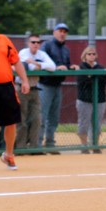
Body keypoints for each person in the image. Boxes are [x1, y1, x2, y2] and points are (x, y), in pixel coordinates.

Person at [0, 14, 31, 171]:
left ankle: (8, 155)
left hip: (5, 86)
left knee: (10, 123)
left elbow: (16, 61)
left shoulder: (3, 40)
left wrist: (25, 80)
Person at [40, 23, 79, 153]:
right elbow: (40, 63)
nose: (62, 34)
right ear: (54, 32)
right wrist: (56, 68)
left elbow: (65, 65)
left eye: (65, 32)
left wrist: (71, 67)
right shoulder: (46, 45)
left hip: (57, 85)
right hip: (45, 85)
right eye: (60, 31)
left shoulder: (66, 49)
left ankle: (50, 143)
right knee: (42, 116)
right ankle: (37, 144)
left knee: (54, 117)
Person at [17, 34, 55, 153]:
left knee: (36, 119)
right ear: (28, 43)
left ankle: (34, 148)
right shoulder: (23, 52)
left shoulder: (41, 54)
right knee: (22, 119)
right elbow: (29, 67)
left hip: (34, 88)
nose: (36, 44)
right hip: (22, 88)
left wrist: (37, 63)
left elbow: (52, 67)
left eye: (38, 42)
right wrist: (39, 65)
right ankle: (21, 148)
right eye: (33, 42)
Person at [77, 46, 106, 153]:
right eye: (89, 54)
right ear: (84, 56)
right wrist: (93, 77)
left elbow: (103, 80)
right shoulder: (81, 67)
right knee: (83, 123)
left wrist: (90, 76)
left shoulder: (100, 67)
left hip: (100, 99)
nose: (91, 56)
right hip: (84, 100)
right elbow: (83, 81)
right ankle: (84, 146)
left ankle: (95, 145)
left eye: (93, 54)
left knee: (97, 124)